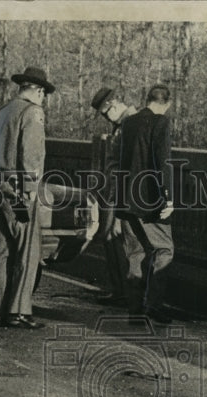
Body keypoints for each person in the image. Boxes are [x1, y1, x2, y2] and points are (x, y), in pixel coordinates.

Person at [0, 66, 54, 329]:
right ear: (36, 90)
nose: (44, 97)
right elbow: (31, 155)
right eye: (43, 92)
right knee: (27, 248)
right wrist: (30, 190)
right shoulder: (32, 112)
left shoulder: (1, 111)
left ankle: (1, 310)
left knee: (0, 249)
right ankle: (18, 311)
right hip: (17, 190)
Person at [118, 84, 175, 322]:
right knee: (164, 249)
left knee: (136, 252)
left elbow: (122, 162)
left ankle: (134, 310)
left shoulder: (128, 123)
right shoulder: (161, 123)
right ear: (167, 103)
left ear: (147, 99)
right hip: (149, 201)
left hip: (126, 199)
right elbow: (163, 162)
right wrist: (168, 197)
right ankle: (153, 305)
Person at [89, 87, 138, 307]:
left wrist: (119, 210)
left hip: (122, 195)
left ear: (116, 104)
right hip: (113, 192)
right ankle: (120, 290)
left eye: (107, 112)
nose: (106, 117)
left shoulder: (131, 126)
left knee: (119, 240)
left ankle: (126, 291)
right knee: (110, 239)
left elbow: (127, 169)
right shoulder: (121, 126)